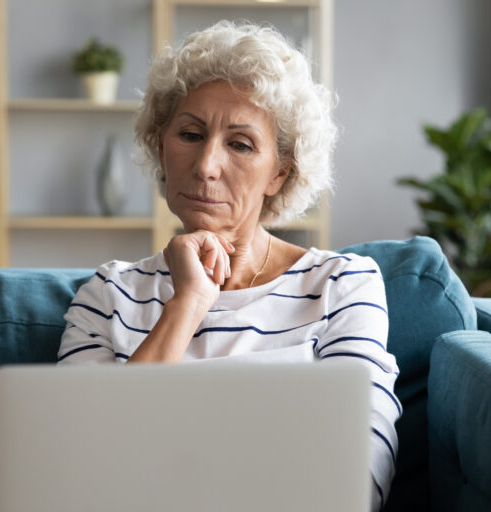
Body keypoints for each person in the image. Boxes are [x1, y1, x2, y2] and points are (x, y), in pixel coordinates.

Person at [57, 21, 401, 511]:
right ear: (161, 148)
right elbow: (77, 470)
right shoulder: (108, 293)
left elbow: (357, 482)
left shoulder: (343, 286)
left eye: (240, 144)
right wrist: (189, 304)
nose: (205, 165)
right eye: (190, 134)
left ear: (280, 171)